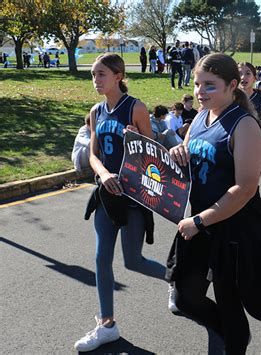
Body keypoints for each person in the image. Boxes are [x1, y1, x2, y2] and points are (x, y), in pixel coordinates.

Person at [166, 53, 261, 354]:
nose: (200, 92)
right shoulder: (201, 116)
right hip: (200, 222)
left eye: (210, 86)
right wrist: (179, 151)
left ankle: (233, 339)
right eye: (197, 84)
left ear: (232, 85)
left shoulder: (244, 126)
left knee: (229, 301)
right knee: (184, 297)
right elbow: (187, 153)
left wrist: (200, 220)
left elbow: (244, 189)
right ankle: (228, 332)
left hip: (233, 229)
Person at [74, 53, 166, 352]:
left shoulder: (135, 107)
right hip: (106, 193)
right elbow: (93, 154)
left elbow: (153, 156)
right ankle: (107, 325)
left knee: (134, 261)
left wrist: (136, 139)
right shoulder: (95, 112)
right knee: (101, 258)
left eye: (101, 74)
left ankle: (178, 278)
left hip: (134, 195)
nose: (95, 80)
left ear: (118, 76)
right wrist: (102, 174)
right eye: (93, 75)